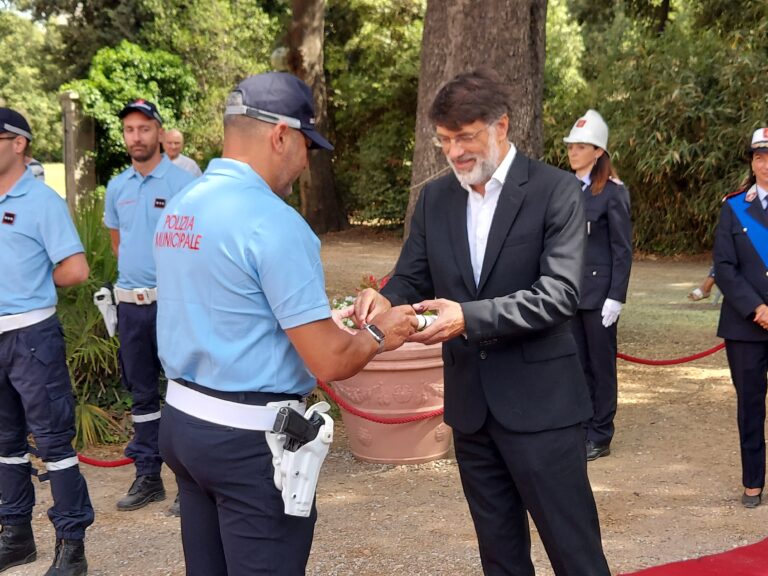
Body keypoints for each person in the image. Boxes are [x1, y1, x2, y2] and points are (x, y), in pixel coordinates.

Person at [153, 72, 417, 576]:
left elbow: (223, 306)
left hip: (184, 423)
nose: (304, 162)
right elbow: (330, 361)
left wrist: (317, 322)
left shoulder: (183, 204)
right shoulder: (274, 221)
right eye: (306, 146)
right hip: (249, 442)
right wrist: (381, 333)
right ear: (280, 135)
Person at [355, 68, 610, 576]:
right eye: (445, 140)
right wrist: (382, 299)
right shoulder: (435, 199)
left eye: (465, 137)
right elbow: (411, 276)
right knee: (500, 558)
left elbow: (559, 294)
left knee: (575, 554)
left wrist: (467, 318)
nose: (454, 152)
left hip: (543, 409)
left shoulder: (555, 190)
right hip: (471, 410)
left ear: (501, 126)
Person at [0, 108, 93, 575]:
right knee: (5, 443)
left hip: (32, 337)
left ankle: (71, 546)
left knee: (54, 444)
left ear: (19, 144)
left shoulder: (42, 201)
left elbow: (75, 269)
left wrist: (32, 284)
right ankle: (16, 536)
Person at [104, 99, 195, 514]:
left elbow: (194, 246)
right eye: (129, 129)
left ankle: (189, 482)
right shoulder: (117, 187)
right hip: (130, 306)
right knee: (141, 394)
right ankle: (148, 476)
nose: (136, 137)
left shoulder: (182, 184)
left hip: (171, 304)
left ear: (159, 131)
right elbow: (118, 244)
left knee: (182, 390)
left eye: (144, 128)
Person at [563, 109, 633, 461]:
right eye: (571, 146)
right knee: (576, 364)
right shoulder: (564, 188)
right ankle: (581, 426)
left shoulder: (612, 193)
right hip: (570, 293)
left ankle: (601, 433)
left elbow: (622, 249)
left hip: (599, 294)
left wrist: (615, 297)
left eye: (580, 147)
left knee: (601, 366)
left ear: (598, 152)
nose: (573, 152)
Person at [713, 126, 768, 509]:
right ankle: (753, 481)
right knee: (750, 406)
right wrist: (758, 308)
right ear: (752, 162)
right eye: (759, 157)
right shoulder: (733, 207)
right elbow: (724, 266)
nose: (765, 164)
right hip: (745, 326)